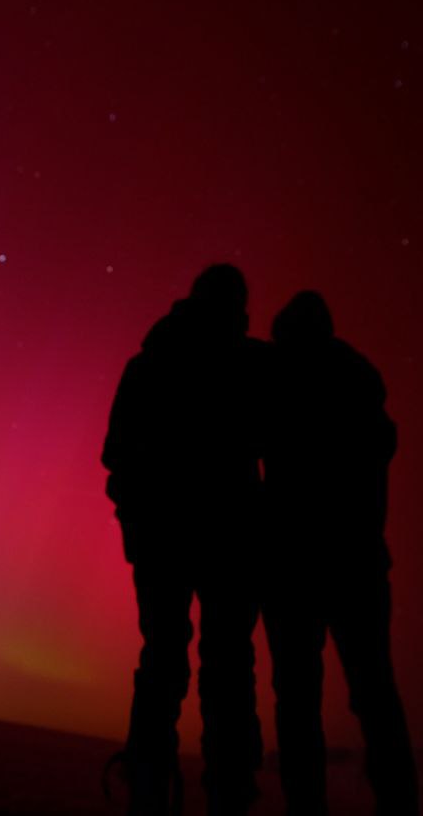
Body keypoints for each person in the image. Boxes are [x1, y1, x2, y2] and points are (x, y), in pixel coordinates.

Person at [102, 264, 266, 815]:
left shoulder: (150, 363)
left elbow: (116, 456)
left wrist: (138, 520)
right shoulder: (251, 366)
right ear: (238, 309)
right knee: (228, 668)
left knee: (165, 660)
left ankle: (149, 792)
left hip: (165, 540)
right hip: (225, 542)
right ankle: (230, 796)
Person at [260, 291, 418, 816]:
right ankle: (400, 805)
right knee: (374, 696)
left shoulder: (280, 388)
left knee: (300, 702)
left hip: (296, 569)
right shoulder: (361, 396)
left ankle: (307, 808)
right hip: (359, 567)